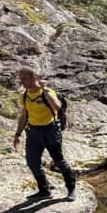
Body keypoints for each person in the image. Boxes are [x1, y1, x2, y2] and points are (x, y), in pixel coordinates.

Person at [13, 68, 77, 201]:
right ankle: (44, 190)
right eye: (20, 78)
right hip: (33, 132)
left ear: (33, 78)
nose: (21, 81)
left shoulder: (47, 92)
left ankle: (71, 189)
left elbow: (57, 107)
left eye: (24, 78)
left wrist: (45, 89)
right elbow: (24, 116)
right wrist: (17, 134)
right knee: (32, 162)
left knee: (59, 161)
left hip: (50, 130)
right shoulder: (24, 96)